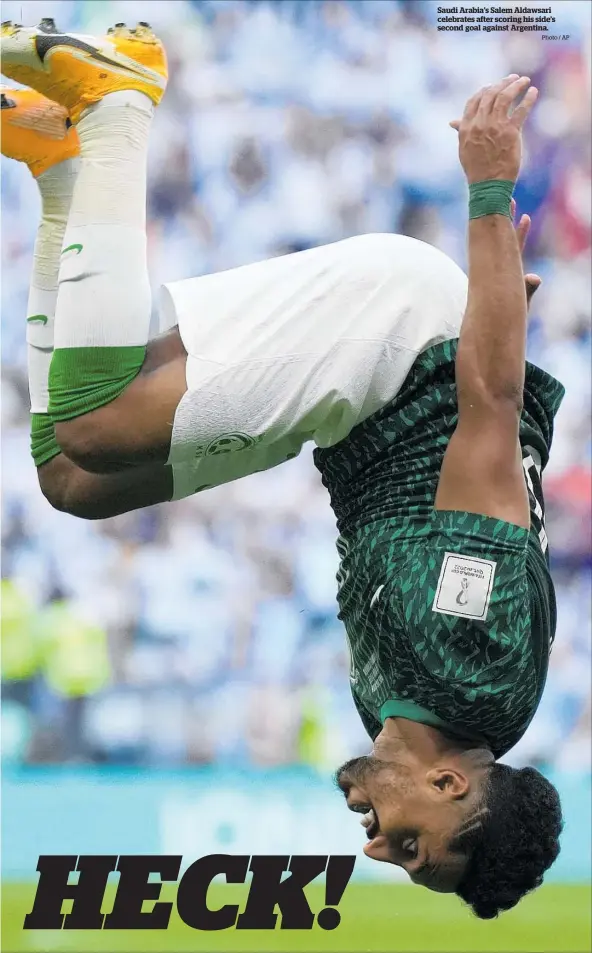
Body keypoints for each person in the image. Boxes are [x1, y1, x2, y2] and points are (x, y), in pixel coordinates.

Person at [1, 19, 565, 918]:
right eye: (411, 843)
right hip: (399, 346)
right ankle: (116, 104)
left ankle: (62, 169)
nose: (375, 841)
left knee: (69, 479)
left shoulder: (405, 709)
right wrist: (490, 194)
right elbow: (492, 414)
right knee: (99, 424)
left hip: (359, 409)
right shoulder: (475, 654)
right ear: (455, 785)